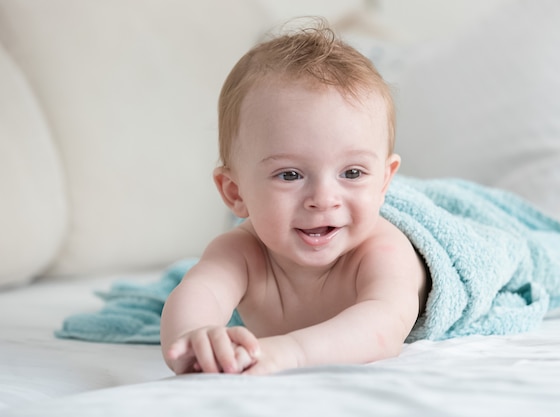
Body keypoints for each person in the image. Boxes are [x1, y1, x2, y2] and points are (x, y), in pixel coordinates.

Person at [160, 18, 430, 376]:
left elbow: (383, 327)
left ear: (383, 181)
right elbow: (200, 293)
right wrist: (194, 338)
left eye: (352, 173)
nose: (323, 199)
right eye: (290, 174)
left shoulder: (382, 251)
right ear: (235, 192)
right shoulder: (242, 253)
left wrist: (290, 352)